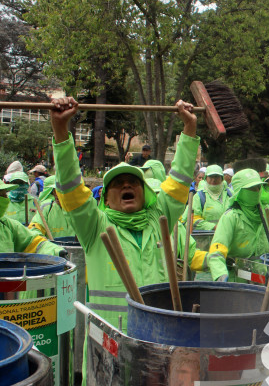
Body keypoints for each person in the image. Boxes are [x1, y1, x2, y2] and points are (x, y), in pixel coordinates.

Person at [49, 95, 198, 332]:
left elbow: (179, 180)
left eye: (133, 182)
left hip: (158, 339)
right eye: (118, 184)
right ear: (106, 199)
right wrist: (59, 130)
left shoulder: (159, 219)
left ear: (145, 192)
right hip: (110, 346)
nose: (127, 186)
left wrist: (189, 129)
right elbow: (70, 187)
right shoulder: (95, 227)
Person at [208, 169, 269, 282]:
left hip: (264, 281)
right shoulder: (231, 217)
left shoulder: (267, 213)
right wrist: (220, 274)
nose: (256, 191)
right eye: (251, 188)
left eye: (258, 187)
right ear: (240, 191)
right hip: (238, 283)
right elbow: (217, 250)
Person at [0, 178, 64, 256]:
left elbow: (34, 243)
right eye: (1, 195)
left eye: (5, 195)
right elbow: (36, 227)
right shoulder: (47, 209)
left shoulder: (7, 225)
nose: (6, 199)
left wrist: (56, 251)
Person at [185, 165, 231, 231]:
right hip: (206, 238)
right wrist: (214, 227)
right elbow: (193, 219)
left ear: (222, 179)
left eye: (217, 177)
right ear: (206, 178)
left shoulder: (230, 194)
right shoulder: (199, 196)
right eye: (211, 177)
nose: (214, 180)